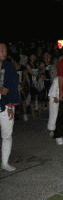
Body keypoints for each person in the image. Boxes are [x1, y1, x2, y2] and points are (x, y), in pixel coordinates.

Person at [0, 43, 20, 171]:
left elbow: (13, 86)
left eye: (4, 50)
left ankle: (5, 162)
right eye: (0, 49)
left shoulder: (9, 66)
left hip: (6, 105)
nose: (3, 51)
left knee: (7, 135)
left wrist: (11, 106)